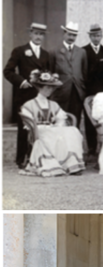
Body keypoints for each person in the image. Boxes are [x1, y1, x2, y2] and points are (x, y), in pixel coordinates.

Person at [19, 69, 85, 176]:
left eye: (52, 88)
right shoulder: (29, 104)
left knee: (72, 131)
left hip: (52, 129)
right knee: (51, 134)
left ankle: (70, 164)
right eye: (47, 87)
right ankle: (51, 165)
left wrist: (57, 126)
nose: (50, 90)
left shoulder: (53, 104)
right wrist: (41, 127)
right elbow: (28, 122)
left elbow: (61, 118)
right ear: (40, 88)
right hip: (38, 131)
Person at [3, 22, 51, 167]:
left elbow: (47, 74)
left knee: (39, 126)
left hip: (39, 96)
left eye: (41, 34)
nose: (38, 37)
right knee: (24, 127)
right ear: (30, 34)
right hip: (24, 95)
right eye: (36, 33)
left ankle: (35, 157)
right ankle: (21, 160)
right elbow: (7, 71)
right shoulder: (19, 51)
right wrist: (22, 81)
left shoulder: (46, 54)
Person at [50, 21, 88, 127]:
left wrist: (82, 89)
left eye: (74, 35)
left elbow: (84, 72)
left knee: (75, 121)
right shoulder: (54, 51)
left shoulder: (82, 52)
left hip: (77, 92)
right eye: (69, 34)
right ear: (64, 34)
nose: (71, 37)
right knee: (59, 121)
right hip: (61, 93)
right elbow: (50, 71)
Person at [81, 24, 103, 154]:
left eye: (98, 35)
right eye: (93, 36)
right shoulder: (83, 51)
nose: (96, 38)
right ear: (89, 36)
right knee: (90, 119)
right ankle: (92, 148)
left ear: (102, 36)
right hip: (89, 89)